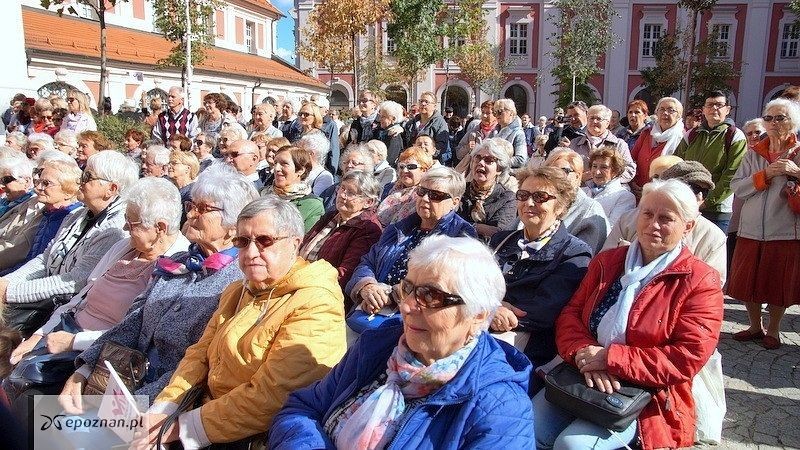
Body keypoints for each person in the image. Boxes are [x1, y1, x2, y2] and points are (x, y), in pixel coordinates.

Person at [271, 235, 535, 449]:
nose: (407, 306)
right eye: (407, 288)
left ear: (477, 315)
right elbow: (303, 408)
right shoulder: (379, 345)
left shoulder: (500, 409)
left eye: (430, 296)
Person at [130, 196, 347, 447]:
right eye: (243, 242)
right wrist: (164, 408)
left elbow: (273, 397)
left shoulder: (316, 302)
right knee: (99, 429)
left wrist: (180, 428)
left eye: (265, 241)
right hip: (200, 413)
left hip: (245, 436)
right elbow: (199, 354)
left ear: (295, 243)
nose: (252, 252)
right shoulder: (239, 289)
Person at [535, 179, 724, 450]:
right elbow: (571, 314)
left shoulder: (699, 280)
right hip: (583, 371)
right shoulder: (608, 262)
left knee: (572, 444)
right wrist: (583, 351)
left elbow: (687, 356)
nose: (653, 224)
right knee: (526, 424)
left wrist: (610, 358)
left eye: (666, 218)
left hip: (648, 394)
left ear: (688, 226)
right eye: (647, 214)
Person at [58, 166, 258, 410]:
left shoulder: (239, 282)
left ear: (233, 225)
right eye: (191, 206)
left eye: (203, 209)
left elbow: (201, 366)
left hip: (168, 405)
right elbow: (133, 323)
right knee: (41, 422)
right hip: (121, 385)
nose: (192, 214)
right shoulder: (179, 262)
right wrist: (85, 370)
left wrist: (135, 406)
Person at [6, 178, 190, 410]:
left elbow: (136, 334)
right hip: (64, 335)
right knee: (11, 371)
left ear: (160, 228)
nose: (125, 229)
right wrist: (39, 334)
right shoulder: (124, 247)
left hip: (101, 357)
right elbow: (80, 298)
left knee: (31, 411)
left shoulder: (175, 266)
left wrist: (75, 346)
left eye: (131, 224)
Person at [0, 151, 139, 336]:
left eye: (88, 176)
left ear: (111, 189)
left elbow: (75, 281)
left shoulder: (114, 230)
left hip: (63, 313)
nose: (80, 180)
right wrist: (6, 282)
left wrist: (10, 292)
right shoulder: (77, 216)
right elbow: (45, 259)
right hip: (41, 298)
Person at [490, 167, 591, 390]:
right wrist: (490, 308)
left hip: (525, 345)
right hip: (480, 323)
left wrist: (491, 307)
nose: (529, 203)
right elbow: (469, 284)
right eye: (523, 196)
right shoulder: (501, 240)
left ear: (561, 206)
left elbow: (542, 312)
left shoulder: (574, 253)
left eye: (540, 197)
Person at [346, 167, 476, 317]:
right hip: (371, 310)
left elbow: (444, 281)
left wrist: (389, 294)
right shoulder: (399, 228)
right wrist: (367, 286)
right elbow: (368, 262)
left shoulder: (461, 236)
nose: (425, 198)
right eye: (421, 191)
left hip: (416, 318)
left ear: (455, 202)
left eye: (436, 195)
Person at [729, 98, 800, 350]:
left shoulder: (798, 151)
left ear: (793, 123)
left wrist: (796, 171)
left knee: (775, 282)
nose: (772, 123)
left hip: (783, 229)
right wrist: (766, 175)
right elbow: (736, 186)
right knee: (749, 281)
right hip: (750, 228)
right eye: (768, 118)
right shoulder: (753, 153)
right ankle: (754, 325)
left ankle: (774, 329)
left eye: (780, 118)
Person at [603, 160, 727, 284]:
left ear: (688, 227)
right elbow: (604, 266)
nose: (699, 196)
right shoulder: (628, 220)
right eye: (692, 189)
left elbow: (712, 285)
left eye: (704, 192)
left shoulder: (712, 236)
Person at [301, 170, 383, 300]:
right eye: (342, 188)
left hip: (322, 294)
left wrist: (305, 284)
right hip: (301, 280)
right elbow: (304, 244)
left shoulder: (367, 229)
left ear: (368, 202)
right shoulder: (332, 216)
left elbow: (345, 274)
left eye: (351, 193)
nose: (342, 195)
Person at [675, 90, 747, 233]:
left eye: (719, 105)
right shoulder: (692, 134)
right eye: (710, 105)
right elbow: (676, 164)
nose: (714, 108)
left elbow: (731, 175)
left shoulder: (735, 136)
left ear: (727, 110)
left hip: (717, 211)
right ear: (704, 109)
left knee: (711, 252)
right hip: (688, 206)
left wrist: (706, 202)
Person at [0, 157, 82, 275]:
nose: (37, 188)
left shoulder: (69, 218)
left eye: (46, 183)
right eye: (39, 182)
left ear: (68, 191)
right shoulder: (48, 212)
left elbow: (44, 267)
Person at [542, 148, 609, 255]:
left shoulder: (589, 210)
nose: (556, 176)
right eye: (550, 171)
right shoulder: (536, 201)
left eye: (564, 171)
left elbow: (583, 259)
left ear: (578, 176)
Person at [456, 139, 517, 240]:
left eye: (488, 160)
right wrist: (480, 228)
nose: (480, 163)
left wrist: (463, 226)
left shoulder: (507, 198)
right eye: (477, 158)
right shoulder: (460, 189)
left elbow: (499, 234)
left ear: (499, 169)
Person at [727, 118, 766, 270]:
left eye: (757, 132)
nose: (753, 136)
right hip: (737, 212)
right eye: (749, 133)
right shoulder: (742, 153)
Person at [629, 97, 685, 197]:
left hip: (664, 194)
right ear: (657, 113)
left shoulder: (683, 138)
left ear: (679, 116)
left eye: (671, 110)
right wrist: (632, 182)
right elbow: (631, 159)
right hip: (637, 190)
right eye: (662, 109)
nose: (665, 113)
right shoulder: (646, 133)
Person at [568, 104, 636, 183]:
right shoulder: (574, 144)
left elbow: (629, 170)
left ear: (607, 123)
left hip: (611, 192)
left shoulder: (619, 144)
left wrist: (606, 177)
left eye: (598, 119)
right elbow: (567, 170)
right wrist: (580, 178)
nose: (594, 121)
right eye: (591, 118)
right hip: (581, 190)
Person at [265, 145, 324, 231]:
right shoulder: (261, 193)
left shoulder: (312, 205)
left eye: (284, 164)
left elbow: (305, 240)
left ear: (300, 170)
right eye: (275, 163)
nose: (276, 168)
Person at [377, 146, 434, 226]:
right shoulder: (391, 188)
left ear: (424, 170)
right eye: (401, 166)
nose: (404, 170)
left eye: (411, 167)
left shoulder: (423, 195)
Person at [582, 147, 636, 228]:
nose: (597, 172)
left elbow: (611, 229)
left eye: (604, 167)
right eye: (594, 166)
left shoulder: (625, 197)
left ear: (615, 171)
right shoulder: (583, 191)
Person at [319, 144, 376, 212]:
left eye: (354, 163)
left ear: (366, 167)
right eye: (346, 162)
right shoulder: (332, 189)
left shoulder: (368, 192)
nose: (349, 165)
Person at [404, 91, 451, 165]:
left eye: (426, 102)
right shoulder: (411, 123)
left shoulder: (440, 123)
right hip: (413, 162)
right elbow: (405, 143)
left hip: (430, 163)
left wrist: (426, 156)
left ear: (434, 106)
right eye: (421, 101)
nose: (423, 104)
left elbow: (441, 147)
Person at [455, 100, 497, 164]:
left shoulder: (499, 132)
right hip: (474, 170)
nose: (484, 116)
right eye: (483, 112)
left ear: (495, 115)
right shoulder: (473, 131)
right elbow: (458, 154)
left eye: (488, 113)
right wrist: (467, 147)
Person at [491, 98, 528, 168]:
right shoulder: (494, 131)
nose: (497, 115)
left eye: (500, 111)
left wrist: (497, 162)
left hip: (508, 174)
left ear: (511, 113)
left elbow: (521, 159)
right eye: (495, 112)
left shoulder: (518, 133)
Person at [373, 100, 406, 166]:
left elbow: (390, 159)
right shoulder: (381, 131)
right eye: (380, 116)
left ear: (393, 119)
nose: (380, 119)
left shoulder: (394, 134)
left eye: (383, 117)